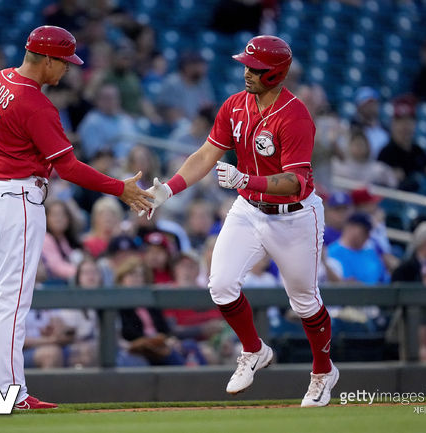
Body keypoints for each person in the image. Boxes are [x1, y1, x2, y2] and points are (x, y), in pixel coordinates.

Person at [142, 36, 338, 406]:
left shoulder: (295, 116)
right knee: (221, 284)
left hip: (294, 216)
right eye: (246, 65)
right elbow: (205, 154)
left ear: (276, 73)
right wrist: (168, 190)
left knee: (304, 302)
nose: (247, 72)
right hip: (248, 209)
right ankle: (254, 350)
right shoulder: (234, 105)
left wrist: (247, 180)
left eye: (256, 68)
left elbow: (295, 181)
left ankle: (323, 371)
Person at [0, 25, 152, 410]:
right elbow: (68, 168)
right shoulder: (36, 104)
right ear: (47, 59)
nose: (68, 70)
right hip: (15, 197)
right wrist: (122, 189)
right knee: (12, 303)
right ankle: (9, 394)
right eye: (64, 62)